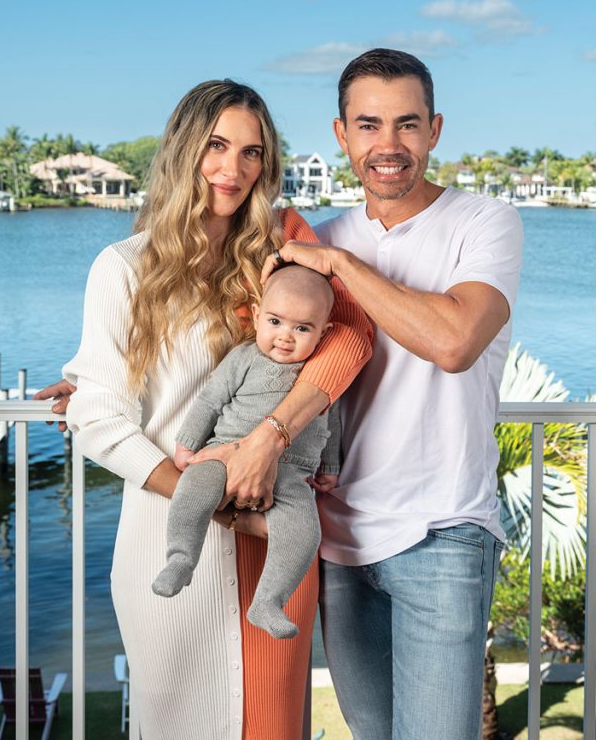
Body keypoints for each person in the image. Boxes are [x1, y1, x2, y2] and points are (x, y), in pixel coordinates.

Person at [37, 79, 372, 740]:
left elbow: (352, 337)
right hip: (169, 538)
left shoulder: (280, 253)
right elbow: (102, 416)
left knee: (272, 725)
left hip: (268, 544)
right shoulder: (122, 268)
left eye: (252, 152)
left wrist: (269, 440)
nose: (233, 167)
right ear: (184, 150)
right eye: (217, 145)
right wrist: (205, 497)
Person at [260, 49, 524, 740]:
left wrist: (344, 266)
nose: (389, 145)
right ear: (341, 134)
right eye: (369, 125)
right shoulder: (316, 240)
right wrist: (107, 378)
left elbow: (455, 341)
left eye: (407, 124)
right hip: (339, 539)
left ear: (435, 130)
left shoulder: (484, 224)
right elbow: (243, 340)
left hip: (444, 533)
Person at [152, 264, 341, 642]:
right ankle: (181, 557)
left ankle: (269, 601)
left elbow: (331, 424)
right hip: (227, 455)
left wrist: (331, 467)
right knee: (195, 487)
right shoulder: (244, 358)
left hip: (292, 476)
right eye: (275, 322)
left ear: (325, 332)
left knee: (304, 532)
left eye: (302, 328)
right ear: (257, 316)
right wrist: (188, 445)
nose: (285, 337)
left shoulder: (322, 373)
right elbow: (210, 401)